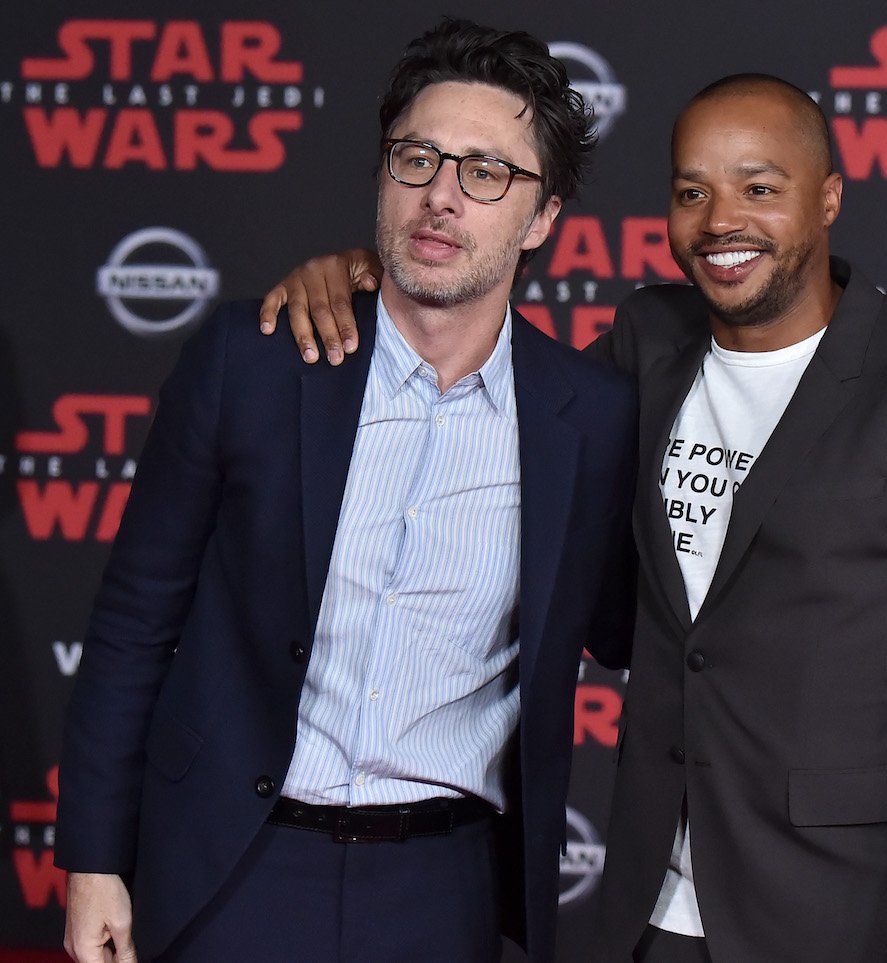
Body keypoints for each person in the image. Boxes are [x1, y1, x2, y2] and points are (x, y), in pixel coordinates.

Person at [261, 74, 887, 962]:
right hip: (647, 911)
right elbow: (488, 369)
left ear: (828, 197)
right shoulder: (649, 341)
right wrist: (366, 275)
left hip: (842, 912)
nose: (721, 219)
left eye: (760, 188)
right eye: (692, 192)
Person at [54, 19, 638, 963]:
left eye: (486, 172)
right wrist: (92, 861)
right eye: (419, 158)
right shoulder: (252, 361)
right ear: (383, 173)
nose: (442, 197)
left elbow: (626, 627)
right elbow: (131, 624)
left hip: (439, 888)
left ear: (540, 219)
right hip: (225, 866)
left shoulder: (592, 419)